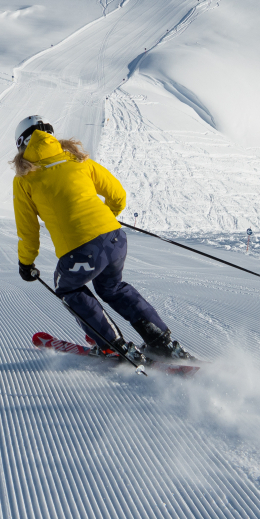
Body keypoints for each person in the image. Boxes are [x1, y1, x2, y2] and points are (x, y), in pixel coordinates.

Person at [12, 114, 190, 362]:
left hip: (81, 250)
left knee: (67, 287)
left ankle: (111, 345)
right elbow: (118, 195)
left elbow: (28, 230)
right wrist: (105, 220)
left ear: (22, 144)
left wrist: (26, 263)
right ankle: (162, 342)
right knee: (112, 287)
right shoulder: (78, 160)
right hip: (115, 238)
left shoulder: (24, 180)